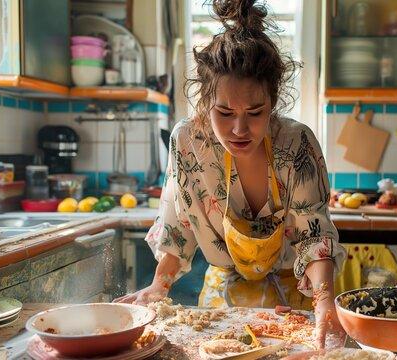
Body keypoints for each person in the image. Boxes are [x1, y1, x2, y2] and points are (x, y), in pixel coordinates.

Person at [114, 0, 346, 349]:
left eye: (255, 113)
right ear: (205, 103)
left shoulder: (295, 144)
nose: (239, 129)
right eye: (224, 113)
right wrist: (158, 287)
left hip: (290, 308)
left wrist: (325, 301)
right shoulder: (188, 142)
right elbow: (179, 226)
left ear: (274, 102)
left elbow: (313, 234)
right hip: (220, 308)